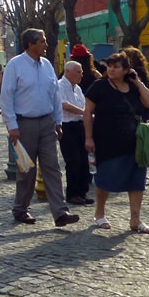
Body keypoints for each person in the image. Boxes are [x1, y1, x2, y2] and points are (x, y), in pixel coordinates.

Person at [0, 28, 79, 227]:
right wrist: (12, 125)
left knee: (52, 167)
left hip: (46, 122)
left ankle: (60, 212)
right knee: (27, 170)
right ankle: (21, 209)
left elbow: (55, 95)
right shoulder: (15, 65)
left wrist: (58, 121)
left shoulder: (47, 66)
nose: (46, 44)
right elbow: (6, 97)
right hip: (24, 123)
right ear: (31, 44)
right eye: (42, 41)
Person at [84, 51, 149, 233]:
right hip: (107, 140)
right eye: (109, 66)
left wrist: (137, 82)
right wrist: (88, 137)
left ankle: (135, 220)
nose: (111, 69)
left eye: (116, 66)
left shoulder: (133, 86)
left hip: (134, 140)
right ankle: (100, 213)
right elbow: (87, 113)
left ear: (126, 69)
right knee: (105, 177)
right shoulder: (99, 87)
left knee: (136, 180)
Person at [58, 60, 92, 206]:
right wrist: (85, 113)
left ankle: (82, 192)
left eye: (81, 71)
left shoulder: (77, 88)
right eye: (78, 71)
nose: (81, 74)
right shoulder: (60, 85)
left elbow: (84, 105)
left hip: (79, 125)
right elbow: (65, 105)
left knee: (84, 160)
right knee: (73, 160)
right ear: (68, 72)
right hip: (67, 126)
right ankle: (72, 193)